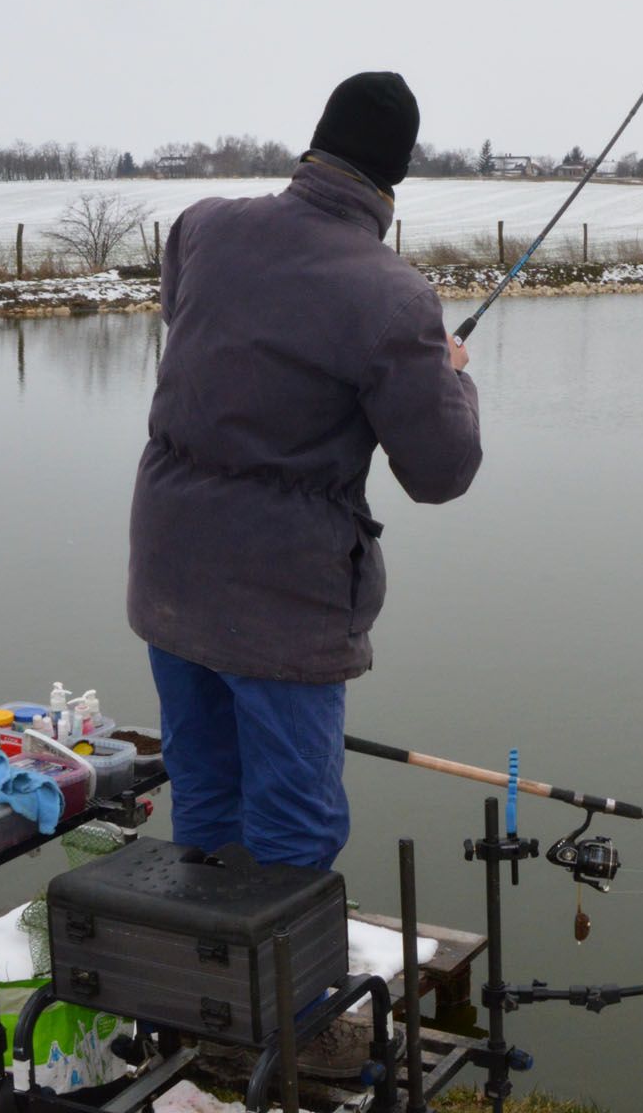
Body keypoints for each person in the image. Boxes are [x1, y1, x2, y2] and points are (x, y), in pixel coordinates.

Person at [127, 71, 482, 871]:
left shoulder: (201, 226)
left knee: (207, 792)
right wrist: (452, 374)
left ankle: (207, 985)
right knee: (294, 827)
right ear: (396, 174)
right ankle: (280, 995)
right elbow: (441, 468)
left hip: (170, 571)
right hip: (282, 600)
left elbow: (197, 321)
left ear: (317, 142)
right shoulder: (394, 295)